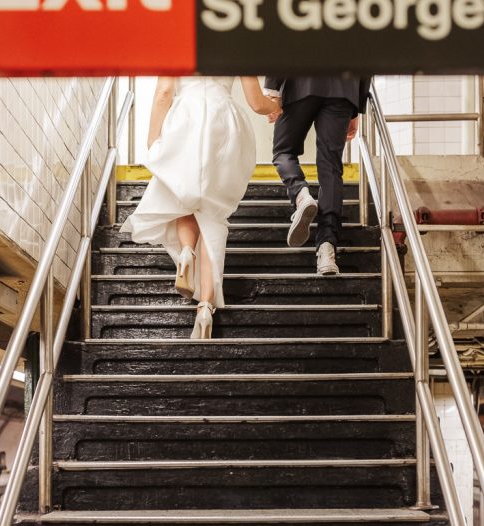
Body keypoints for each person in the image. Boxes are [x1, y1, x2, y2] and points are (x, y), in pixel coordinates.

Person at [121, 77, 281, 339]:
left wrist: (153, 139)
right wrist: (276, 106)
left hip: (186, 118)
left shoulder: (179, 41)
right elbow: (255, 101)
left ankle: (186, 253)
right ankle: (205, 307)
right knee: (212, 214)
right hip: (225, 122)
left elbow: (164, 92)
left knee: (182, 194)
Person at [264, 76, 371, 275]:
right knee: (331, 166)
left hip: (299, 81)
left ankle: (301, 195)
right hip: (343, 88)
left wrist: (273, 90)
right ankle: (327, 249)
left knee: (283, 152)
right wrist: (356, 105)